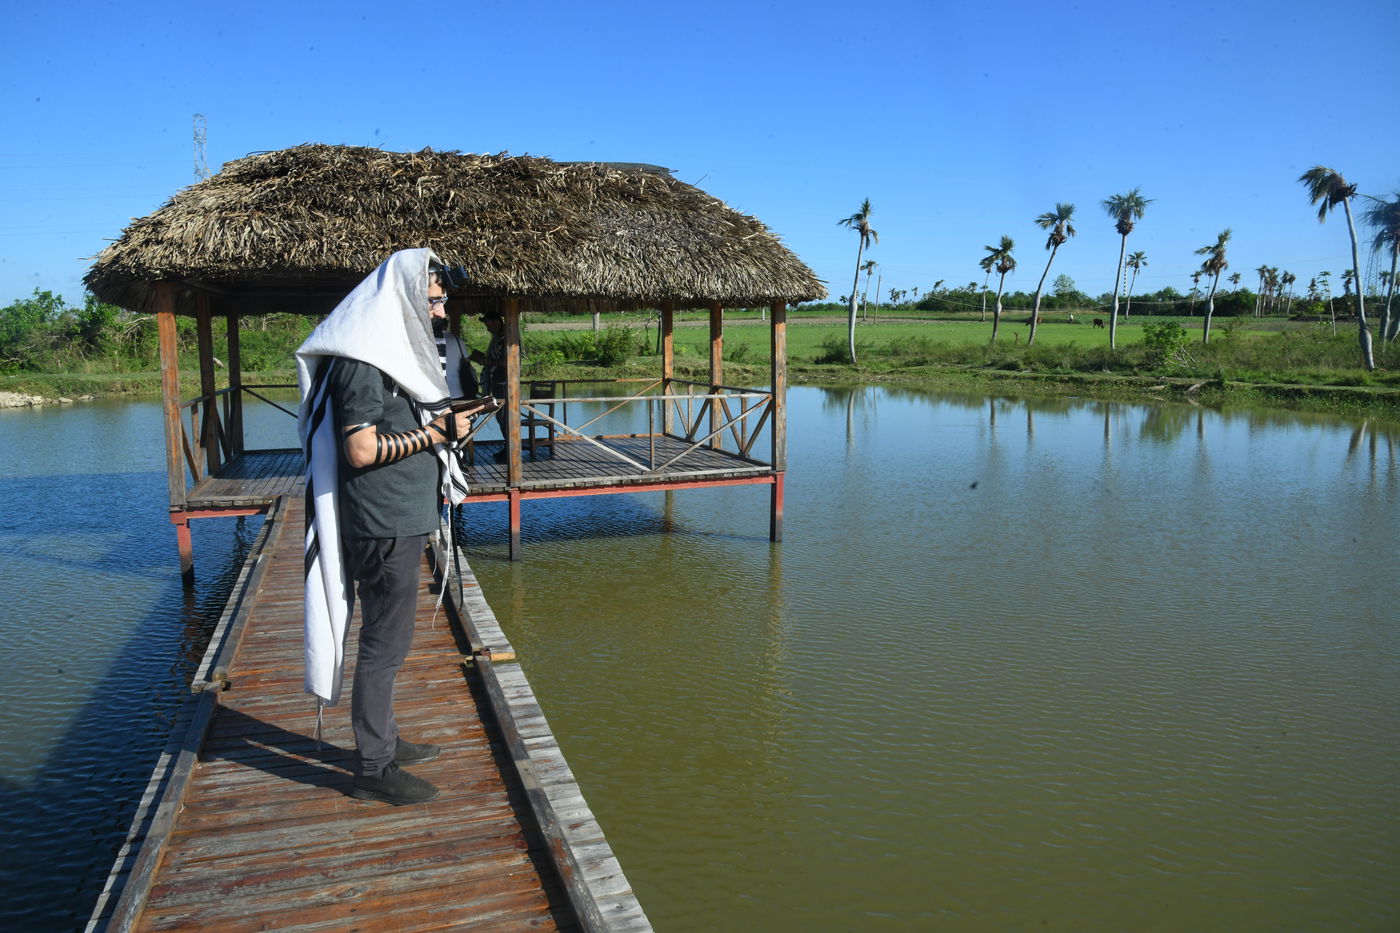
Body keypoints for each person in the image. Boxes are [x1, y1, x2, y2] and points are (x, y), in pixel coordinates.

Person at [297, 249, 497, 806]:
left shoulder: (387, 354)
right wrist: (436, 435)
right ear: (407, 300)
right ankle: (373, 767)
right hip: (382, 523)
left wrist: (451, 420)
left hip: (397, 518)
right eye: (434, 300)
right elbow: (360, 449)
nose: (441, 311)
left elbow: (403, 423)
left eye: (442, 300)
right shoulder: (363, 361)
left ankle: (384, 737)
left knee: (389, 642)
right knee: (384, 645)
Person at [470, 311, 513, 460]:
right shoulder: (497, 338)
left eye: (488, 324)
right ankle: (508, 446)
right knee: (500, 416)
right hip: (495, 381)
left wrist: (485, 361)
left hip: (502, 382)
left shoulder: (505, 339)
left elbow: (508, 362)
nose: (487, 328)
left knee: (504, 416)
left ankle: (511, 448)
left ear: (496, 322)